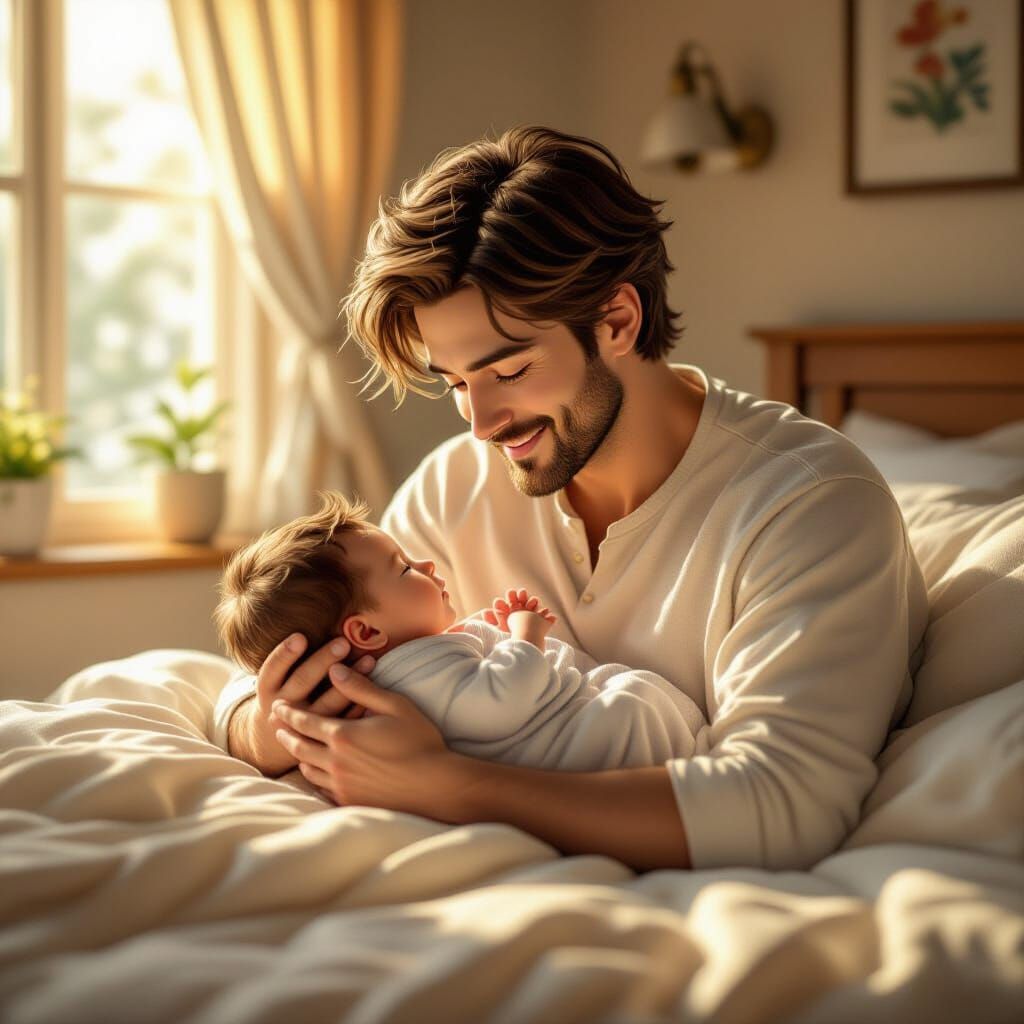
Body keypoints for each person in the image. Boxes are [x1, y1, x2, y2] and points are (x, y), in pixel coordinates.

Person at [212, 125, 929, 873]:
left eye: (510, 371)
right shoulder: (456, 485)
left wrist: (453, 787)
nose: (481, 424)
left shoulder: (809, 505)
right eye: (455, 383)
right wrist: (269, 726)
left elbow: (780, 807)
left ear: (618, 320)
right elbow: (285, 667)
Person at [213, 491, 709, 777]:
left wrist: (485, 636)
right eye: (406, 569)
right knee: (635, 700)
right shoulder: (413, 672)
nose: (426, 562)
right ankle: (694, 741)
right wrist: (524, 635)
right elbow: (497, 702)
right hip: (610, 740)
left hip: (607, 751)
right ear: (364, 631)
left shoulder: (411, 657)